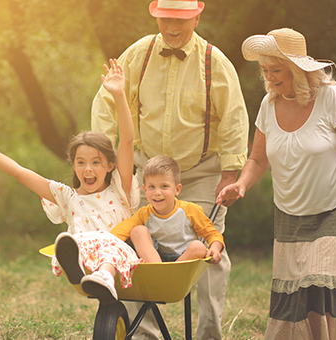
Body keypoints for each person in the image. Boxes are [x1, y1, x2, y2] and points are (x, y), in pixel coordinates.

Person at [217, 28, 336, 339]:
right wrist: (241, 184)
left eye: (276, 70)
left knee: (322, 278)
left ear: (296, 69)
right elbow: (257, 160)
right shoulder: (268, 106)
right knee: (299, 287)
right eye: (265, 71)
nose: (269, 78)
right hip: (291, 211)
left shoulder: (331, 98)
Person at [91, 0, 249, 338]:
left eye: (180, 19)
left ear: (196, 17)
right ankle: (145, 334)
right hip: (146, 173)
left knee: (210, 253)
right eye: (165, 19)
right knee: (129, 246)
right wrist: (104, 161)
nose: (172, 27)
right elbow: (106, 100)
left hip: (201, 171)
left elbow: (234, 117)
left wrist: (230, 173)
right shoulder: (139, 54)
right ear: (156, 16)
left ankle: (209, 333)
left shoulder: (214, 62)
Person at [0, 59, 142, 301]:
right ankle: (80, 265)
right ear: (73, 165)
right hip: (87, 259)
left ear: (110, 166)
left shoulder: (119, 189)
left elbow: (125, 141)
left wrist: (120, 95)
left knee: (108, 240)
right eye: (81, 162)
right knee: (72, 241)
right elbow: (18, 171)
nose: (88, 169)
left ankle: (104, 274)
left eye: (96, 162)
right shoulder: (66, 196)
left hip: (120, 257)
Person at [55, 155, 224, 305]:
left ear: (177, 189)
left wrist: (215, 248)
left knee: (199, 247)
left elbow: (212, 233)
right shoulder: (144, 213)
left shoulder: (190, 210)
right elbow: (120, 232)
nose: (157, 192)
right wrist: (102, 242)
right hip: (153, 261)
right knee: (137, 231)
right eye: (151, 187)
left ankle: (163, 277)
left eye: (164, 186)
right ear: (145, 190)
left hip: (180, 266)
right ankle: (154, 273)